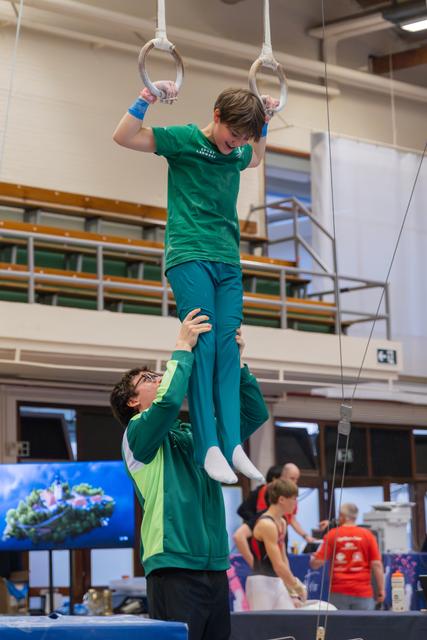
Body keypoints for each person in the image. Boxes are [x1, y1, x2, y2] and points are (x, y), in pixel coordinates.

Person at [113, 82, 278, 485]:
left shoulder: (240, 149)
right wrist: (146, 98)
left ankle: (232, 443)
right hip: (189, 254)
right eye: (232, 134)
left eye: (243, 138)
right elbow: (124, 136)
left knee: (228, 345)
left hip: (227, 258)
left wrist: (266, 124)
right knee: (203, 346)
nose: (235, 144)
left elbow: (254, 160)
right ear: (216, 116)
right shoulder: (184, 139)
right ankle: (207, 446)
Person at [110, 309, 269, 640]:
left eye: (158, 374)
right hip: (173, 565)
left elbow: (254, 413)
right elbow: (167, 403)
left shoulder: (195, 434)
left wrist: (235, 363)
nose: (159, 378)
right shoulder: (137, 436)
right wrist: (182, 346)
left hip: (213, 565)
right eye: (148, 378)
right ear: (132, 402)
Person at [233, 463, 315, 566]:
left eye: (296, 480)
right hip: (262, 536)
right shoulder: (263, 493)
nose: (295, 482)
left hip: (278, 532)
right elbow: (239, 532)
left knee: (281, 563)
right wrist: (256, 523)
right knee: (271, 566)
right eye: (292, 478)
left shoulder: (283, 521)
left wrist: (305, 535)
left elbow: (292, 519)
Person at [244, 479, 307, 610]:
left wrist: (292, 591)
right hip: (260, 582)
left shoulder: (282, 522)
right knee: (263, 629)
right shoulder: (267, 524)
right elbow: (277, 565)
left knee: (287, 626)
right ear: (282, 500)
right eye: (294, 499)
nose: (296, 503)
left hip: (277, 581)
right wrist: (297, 585)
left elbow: (284, 560)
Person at [310, 502, 385, 610]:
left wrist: (313, 558)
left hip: (338, 592)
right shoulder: (368, 535)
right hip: (363, 592)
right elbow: (377, 564)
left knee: (339, 626)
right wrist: (381, 589)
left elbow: (316, 563)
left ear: (341, 516)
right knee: (364, 626)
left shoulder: (332, 535)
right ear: (355, 516)